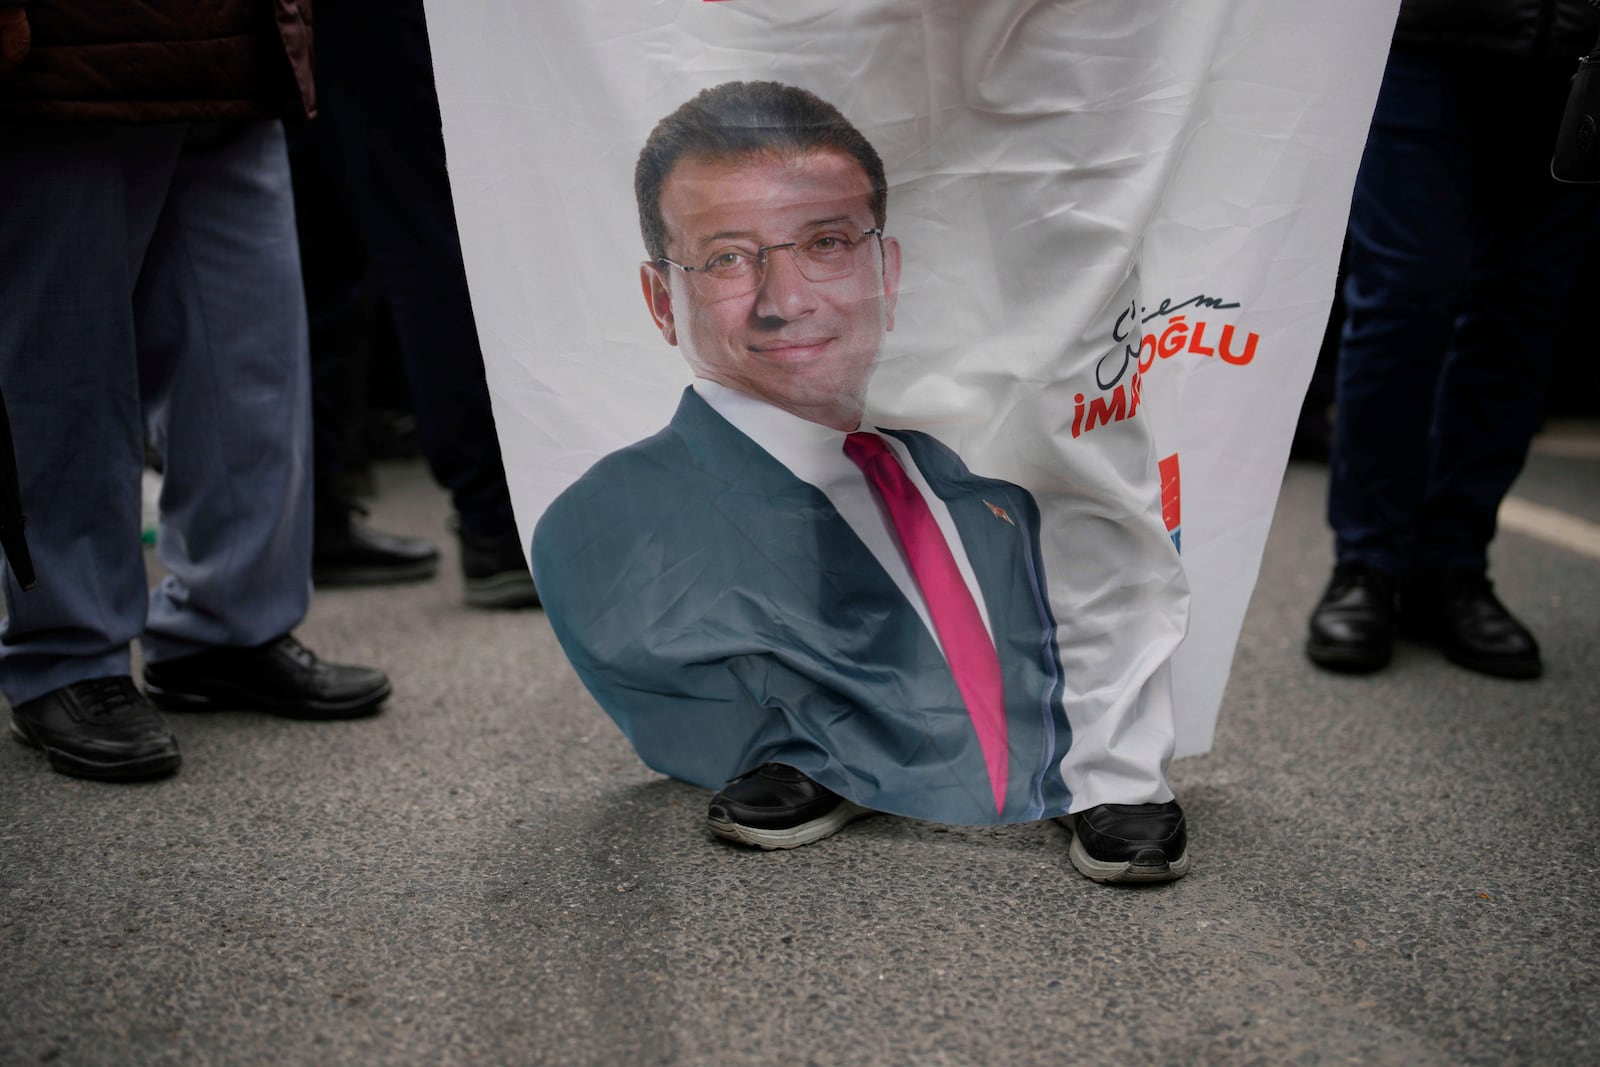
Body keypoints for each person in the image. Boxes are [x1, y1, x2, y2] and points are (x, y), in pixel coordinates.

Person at [533, 82, 1188, 883]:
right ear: (660, 301)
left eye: (828, 244)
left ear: (888, 266)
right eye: (728, 259)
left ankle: (1104, 756)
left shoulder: (991, 499)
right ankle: (805, 742)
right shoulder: (605, 521)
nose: (788, 301)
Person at [0, 2, 391, 782]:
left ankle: (228, 626)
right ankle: (67, 653)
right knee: (64, 374)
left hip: (233, 51)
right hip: (71, 52)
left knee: (249, 361)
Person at [1306, 0, 1600, 679]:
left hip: (1579, 49)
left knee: (1521, 309)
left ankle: (1453, 566)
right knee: (1402, 294)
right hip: (1429, 31)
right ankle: (1366, 564)